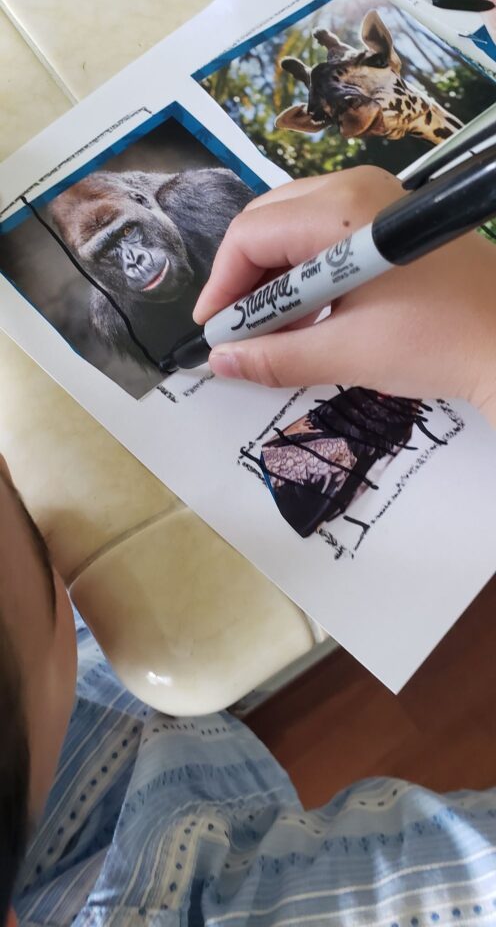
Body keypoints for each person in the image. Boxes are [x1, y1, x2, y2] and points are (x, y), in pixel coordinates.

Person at [2, 167, 495, 926]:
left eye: (129, 236)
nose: (133, 265)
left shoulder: (194, 200)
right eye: (111, 254)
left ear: (144, 201)